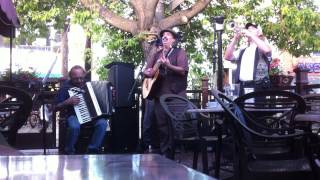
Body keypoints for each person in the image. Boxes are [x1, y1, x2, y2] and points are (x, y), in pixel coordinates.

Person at [143, 29, 189, 158]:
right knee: (162, 127)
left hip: (176, 95)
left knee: (176, 126)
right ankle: (165, 155)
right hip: (159, 96)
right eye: (163, 35)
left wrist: (169, 65)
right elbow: (149, 71)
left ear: (173, 40)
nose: (164, 37)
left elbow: (182, 70)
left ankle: (179, 156)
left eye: (168, 35)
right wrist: (147, 73)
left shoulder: (180, 52)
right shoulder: (156, 55)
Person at [55, 65, 108, 154]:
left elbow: (103, 98)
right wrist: (67, 102)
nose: (79, 81)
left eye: (81, 78)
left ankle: (92, 150)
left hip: (93, 115)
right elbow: (56, 107)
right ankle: (69, 151)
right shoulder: (65, 88)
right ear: (70, 77)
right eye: (76, 79)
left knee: (102, 123)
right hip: (73, 115)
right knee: (74, 126)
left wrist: (111, 94)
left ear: (84, 75)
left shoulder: (91, 85)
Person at [224, 23, 272, 95]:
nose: (248, 30)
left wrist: (251, 35)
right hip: (242, 87)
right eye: (248, 29)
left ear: (258, 32)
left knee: (256, 106)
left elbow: (267, 50)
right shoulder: (242, 50)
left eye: (252, 29)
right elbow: (227, 56)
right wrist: (235, 38)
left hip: (258, 88)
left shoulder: (262, 47)